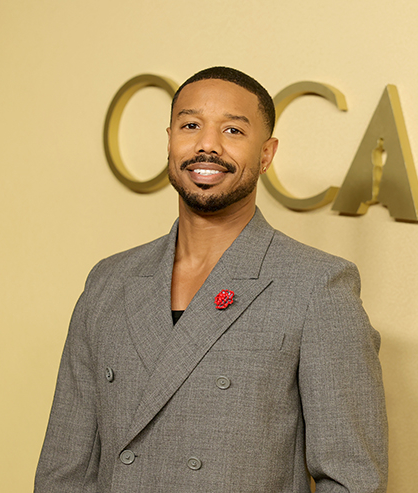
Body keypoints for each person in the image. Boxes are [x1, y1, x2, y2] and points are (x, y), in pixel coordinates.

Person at [35, 67, 388, 492]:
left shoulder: (318, 287)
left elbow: (351, 479)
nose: (207, 145)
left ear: (266, 153)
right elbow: (64, 468)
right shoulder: (109, 281)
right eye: (190, 126)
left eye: (233, 130)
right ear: (169, 140)